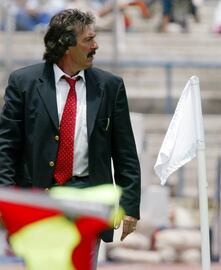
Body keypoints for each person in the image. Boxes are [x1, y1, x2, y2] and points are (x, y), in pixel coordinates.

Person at [0, 8, 141, 268]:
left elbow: (125, 152)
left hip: (89, 199)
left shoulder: (110, 86)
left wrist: (130, 206)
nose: (95, 45)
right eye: (88, 39)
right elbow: (6, 147)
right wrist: (5, 199)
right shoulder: (24, 83)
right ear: (66, 44)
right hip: (38, 200)